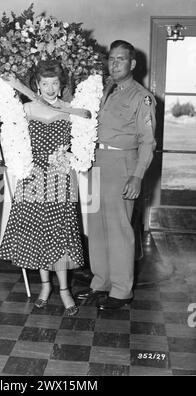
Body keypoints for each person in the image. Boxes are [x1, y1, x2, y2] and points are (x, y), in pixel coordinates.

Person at [0, 60, 84, 316]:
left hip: (60, 177)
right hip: (33, 177)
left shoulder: (71, 109)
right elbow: (10, 139)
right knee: (38, 232)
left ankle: (64, 290)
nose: (49, 88)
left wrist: (69, 156)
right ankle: (45, 287)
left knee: (59, 233)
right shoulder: (25, 109)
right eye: (44, 83)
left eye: (54, 83)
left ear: (61, 85)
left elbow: (82, 142)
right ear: (37, 85)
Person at [75, 40, 156, 310]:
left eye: (121, 59)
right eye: (111, 59)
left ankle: (122, 291)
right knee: (97, 228)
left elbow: (148, 142)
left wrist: (137, 176)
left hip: (123, 163)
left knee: (120, 229)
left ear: (132, 64)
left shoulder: (141, 96)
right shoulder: (103, 89)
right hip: (97, 161)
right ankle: (101, 283)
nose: (115, 64)